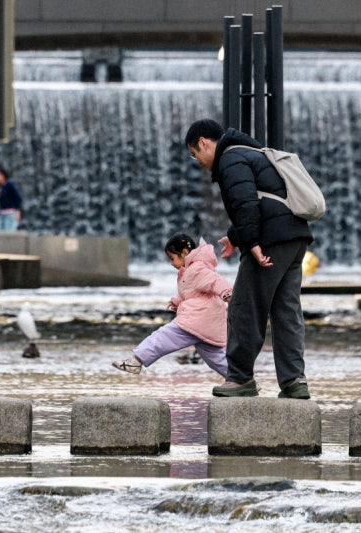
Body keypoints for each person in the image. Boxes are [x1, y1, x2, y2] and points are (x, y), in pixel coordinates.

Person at [185, 118, 314, 399]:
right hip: (294, 238)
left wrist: (252, 242)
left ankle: (240, 378)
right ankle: (294, 381)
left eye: (196, 155)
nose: (199, 162)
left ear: (204, 143)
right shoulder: (249, 151)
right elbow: (265, 198)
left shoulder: (230, 159)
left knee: (244, 308)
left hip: (270, 241)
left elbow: (246, 202)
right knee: (286, 312)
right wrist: (235, 236)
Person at [112, 233, 232, 377]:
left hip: (196, 319)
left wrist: (227, 292)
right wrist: (178, 301)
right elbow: (194, 293)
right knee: (216, 359)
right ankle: (242, 379)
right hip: (208, 322)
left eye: (172, 258)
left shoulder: (197, 268)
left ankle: (136, 361)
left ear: (185, 253)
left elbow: (214, 281)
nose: (171, 263)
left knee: (163, 337)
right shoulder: (191, 269)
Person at [0, 164, 22, 231]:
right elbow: (3, 201)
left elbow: (18, 198)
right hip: (2, 213)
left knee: (9, 234)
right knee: (1, 234)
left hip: (11, 213)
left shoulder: (9, 184)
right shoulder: (1, 187)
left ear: (3, 175)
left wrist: (17, 211)